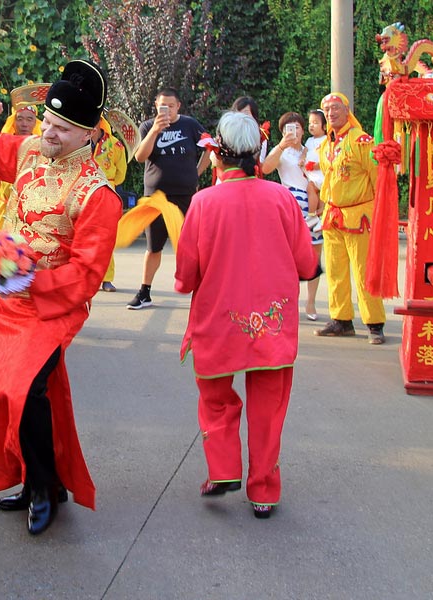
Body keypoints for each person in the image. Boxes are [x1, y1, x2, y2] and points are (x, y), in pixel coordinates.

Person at [0, 59, 121, 534]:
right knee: (11, 397)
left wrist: (28, 280)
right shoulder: (28, 151)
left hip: (52, 306)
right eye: (48, 122)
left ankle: (45, 488)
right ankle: (36, 481)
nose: (50, 134)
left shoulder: (96, 193)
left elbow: (86, 274)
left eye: (64, 129)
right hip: (10, 302)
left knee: (23, 392)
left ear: (88, 135)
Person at [175, 111, 318, 519]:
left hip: (219, 321)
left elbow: (186, 275)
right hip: (273, 323)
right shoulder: (282, 199)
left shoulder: (203, 203)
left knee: (216, 397)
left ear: (217, 154)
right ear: (258, 152)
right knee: (268, 407)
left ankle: (223, 470)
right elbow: (306, 264)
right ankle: (263, 491)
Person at [127, 87, 210, 309]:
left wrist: (197, 172)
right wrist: (155, 130)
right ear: (156, 105)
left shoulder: (190, 125)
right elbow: (139, 157)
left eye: (171, 106)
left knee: (192, 245)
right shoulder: (147, 126)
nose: (168, 110)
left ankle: (202, 292)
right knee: (153, 247)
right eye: (163, 106)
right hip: (156, 197)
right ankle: (144, 292)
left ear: (178, 106)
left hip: (185, 195)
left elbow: (210, 147)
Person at [315, 92, 386, 344]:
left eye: (335, 108)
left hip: (359, 216)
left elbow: (378, 178)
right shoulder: (326, 144)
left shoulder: (361, 140)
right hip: (333, 216)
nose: (330, 113)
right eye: (326, 110)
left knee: (363, 270)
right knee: (335, 270)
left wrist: (381, 214)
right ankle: (341, 319)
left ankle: (374, 323)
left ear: (347, 110)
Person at [261, 112, 323, 321]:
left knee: (315, 254)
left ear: (303, 130)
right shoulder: (282, 152)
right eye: (289, 128)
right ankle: (287, 301)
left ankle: (311, 301)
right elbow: (266, 168)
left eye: (297, 127)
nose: (293, 132)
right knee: (286, 256)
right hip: (290, 204)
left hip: (314, 204)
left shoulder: (313, 148)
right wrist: (281, 146)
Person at [91, 117, 128, 292]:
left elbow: (121, 174)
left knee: (106, 238)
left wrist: (107, 181)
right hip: (80, 194)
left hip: (106, 193)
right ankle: (84, 277)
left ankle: (106, 279)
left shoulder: (115, 145)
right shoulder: (76, 140)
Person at [303, 109, 327, 192]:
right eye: (310, 123)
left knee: (323, 195)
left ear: (325, 126)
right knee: (310, 189)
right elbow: (305, 152)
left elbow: (328, 157)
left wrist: (318, 165)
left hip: (322, 173)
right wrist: (302, 159)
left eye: (315, 123)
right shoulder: (309, 140)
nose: (311, 125)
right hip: (312, 174)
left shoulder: (326, 140)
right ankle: (312, 206)